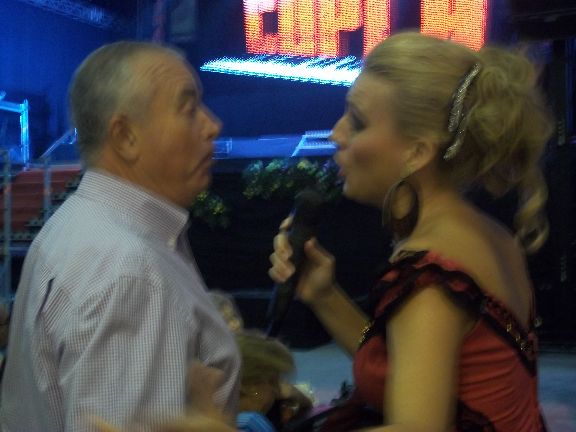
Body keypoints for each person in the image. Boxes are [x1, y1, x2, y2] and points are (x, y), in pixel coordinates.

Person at [269, 32, 554, 431]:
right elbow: (408, 372)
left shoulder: (430, 271)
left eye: (357, 122)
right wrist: (324, 296)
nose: (336, 134)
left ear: (417, 152)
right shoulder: (488, 235)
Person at [0, 41, 241, 431]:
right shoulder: (131, 272)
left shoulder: (81, 226)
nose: (213, 125)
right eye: (189, 108)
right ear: (126, 136)